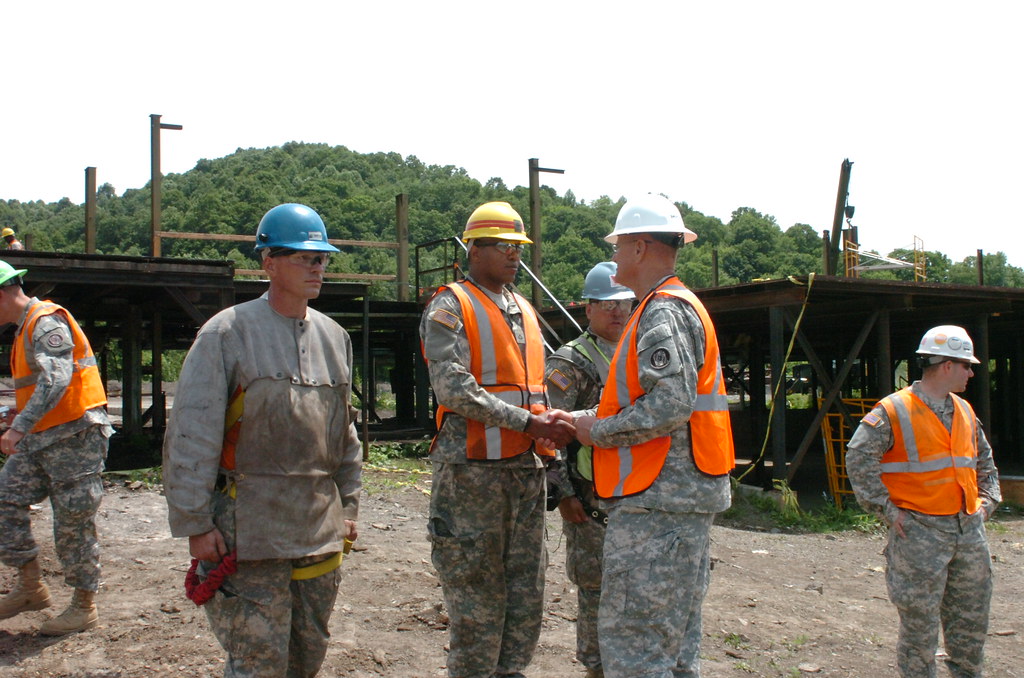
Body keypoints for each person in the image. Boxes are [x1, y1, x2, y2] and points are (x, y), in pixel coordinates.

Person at [163, 203, 362, 677]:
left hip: (316, 528)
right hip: (247, 527)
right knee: (258, 661)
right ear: (267, 261)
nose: (317, 267)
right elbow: (191, 432)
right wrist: (194, 522)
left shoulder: (335, 338)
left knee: (307, 655)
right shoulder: (226, 333)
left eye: (322, 258)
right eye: (304, 257)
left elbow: (346, 435)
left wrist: (349, 508)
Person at [575, 194, 735, 678]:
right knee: (675, 650)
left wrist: (596, 432)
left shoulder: (661, 311)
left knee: (636, 651)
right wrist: (585, 419)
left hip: (656, 504)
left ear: (641, 247)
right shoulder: (679, 306)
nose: (616, 256)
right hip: (681, 500)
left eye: (619, 245)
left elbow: (669, 404)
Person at [420, 200, 576, 678]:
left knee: (526, 600)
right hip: (472, 477)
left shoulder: (525, 310)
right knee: (476, 604)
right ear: (474, 249)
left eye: (519, 247)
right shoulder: (450, 305)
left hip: (525, 477)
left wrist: (551, 424)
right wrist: (530, 424)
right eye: (504, 246)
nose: (514, 256)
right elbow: (453, 388)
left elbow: (534, 388)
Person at [846, 325, 1000, 678]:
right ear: (946, 365)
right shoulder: (894, 410)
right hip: (919, 534)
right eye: (966, 365)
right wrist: (885, 508)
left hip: (967, 533)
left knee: (971, 624)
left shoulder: (963, 411)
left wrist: (986, 504)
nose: (971, 372)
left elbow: (984, 464)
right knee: (919, 630)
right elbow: (858, 458)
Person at [0, 259, 113, 635]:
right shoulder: (22, 329)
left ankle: (84, 606)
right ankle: (31, 586)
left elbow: (57, 380)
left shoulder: (46, 321)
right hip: (43, 438)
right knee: (6, 497)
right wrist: (20, 415)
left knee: (73, 523)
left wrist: (17, 428)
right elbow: (39, 388)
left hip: (76, 436)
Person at [545, 261, 633, 678]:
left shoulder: (640, 353)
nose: (616, 311)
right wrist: (563, 495)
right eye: (605, 304)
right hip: (590, 500)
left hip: (635, 496)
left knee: (634, 591)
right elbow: (551, 432)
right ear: (588, 310)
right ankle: (596, 669)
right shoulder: (570, 362)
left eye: (623, 303)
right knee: (596, 592)